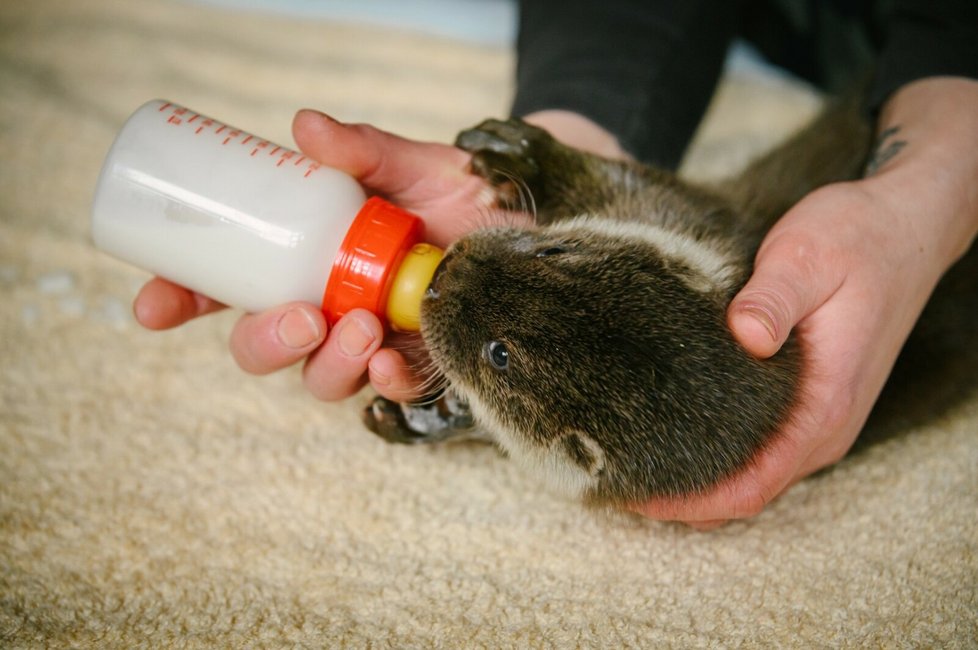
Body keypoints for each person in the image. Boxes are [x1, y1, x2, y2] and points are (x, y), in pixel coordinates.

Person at [133, 0, 978, 528]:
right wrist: (567, 152)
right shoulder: (722, 279)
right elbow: (660, 252)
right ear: (692, 278)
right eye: (551, 248)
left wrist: (939, 179)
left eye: (497, 357)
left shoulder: (621, 419)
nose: (464, 265)